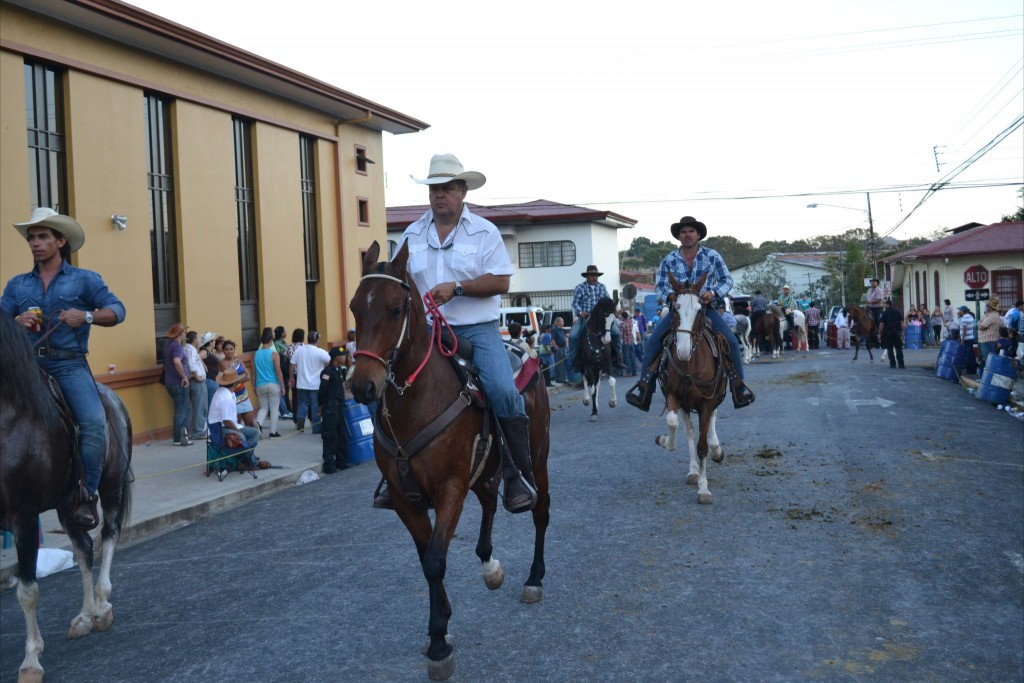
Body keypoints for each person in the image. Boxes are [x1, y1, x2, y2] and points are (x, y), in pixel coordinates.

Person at [389, 152, 537, 513]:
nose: (440, 194)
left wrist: (457, 288)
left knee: (502, 390)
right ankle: (393, 472)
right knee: (389, 386)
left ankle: (517, 473)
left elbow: (501, 281)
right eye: (434, 189)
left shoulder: (485, 231)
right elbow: (399, 282)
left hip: (476, 329)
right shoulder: (411, 234)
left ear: (463, 191)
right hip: (426, 330)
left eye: (448, 188)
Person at [1, 207, 127, 530]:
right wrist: (15, 323)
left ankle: (85, 495)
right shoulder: (17, 286)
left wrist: (85, 316)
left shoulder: (84, 280)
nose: (35, 243)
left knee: (93, 423)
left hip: (69, 365)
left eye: (43, 237)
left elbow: (117, 310)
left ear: (60, 241)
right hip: (27, 367)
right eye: (32, 238)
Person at [625, 216, 755, 411]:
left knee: (731, 341)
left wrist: (713, 293)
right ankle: (645, 388)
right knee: (652, 342)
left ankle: (739, 387)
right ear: (679, 236)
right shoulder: (669, 259)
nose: (687, 235)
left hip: (705, 309)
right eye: (683, 232)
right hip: (679, 311)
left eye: (691, 231)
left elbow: (727, 280)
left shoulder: (712, 256)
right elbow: (659, 286)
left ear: (698, 235)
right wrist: (670, 296)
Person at [568, 265, 621, 373]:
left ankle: (618, 359)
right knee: (573, 336)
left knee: (616, 333)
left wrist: (614, 308)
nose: (595, 278)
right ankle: (574, 362)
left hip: (602, 318)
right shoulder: (580, 287)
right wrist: (580, 312)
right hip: (586, 318)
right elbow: (575, 303)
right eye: (592, 275)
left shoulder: (602, 287)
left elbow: (608, 301)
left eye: (596, 276)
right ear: (587, 276)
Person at [207, 366, 261, 469]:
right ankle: (251, 462)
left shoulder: (227, 393)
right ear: (236, 383)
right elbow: (227, 421)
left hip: (224, 426)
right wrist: (238, 431)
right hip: (218, 430)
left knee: (255, 433)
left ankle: (245, 457)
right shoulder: (226, 397)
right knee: (242, 437)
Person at [318, 347, 350, 473]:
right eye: (342, 355)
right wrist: (321, 405)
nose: (345, 357)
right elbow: (322, 390)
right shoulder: (327, 372)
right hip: (331, 406)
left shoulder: (339, 370)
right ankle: (329, 465)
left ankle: (341, 461)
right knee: (330, 435)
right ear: (336, 357)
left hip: (339, 406)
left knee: (341, 434)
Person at [291, 329, 330, 434]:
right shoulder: (320, 352)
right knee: (315, 406)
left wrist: (291, 377)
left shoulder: (299, 350)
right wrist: (324, 368)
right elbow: (329, 360)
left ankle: (300, 422)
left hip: (301, 383)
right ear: (317, 340)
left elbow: (292, 364)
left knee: (302, 404)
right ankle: (316, 428)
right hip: (315, 384)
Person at [163, 322, 193, 447]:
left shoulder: (168, 346)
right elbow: (176, 361)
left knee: (182, 408)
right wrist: (184, 377)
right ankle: (180, 438)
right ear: (180, 334)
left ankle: (179, 437)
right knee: (182, 409)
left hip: (170, 381)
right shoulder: (177, 347)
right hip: (179, 382)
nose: (185, 334)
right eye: (184, 332)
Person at [254, 326, 286, 438]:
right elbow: (278, 372)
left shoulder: (256, 354)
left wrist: (254, 385)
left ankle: (259, 423)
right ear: (271, 339)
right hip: (272, 384)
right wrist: (283, 386)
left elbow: (254, 372)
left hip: (260, 384)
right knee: (274, 409)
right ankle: (273, 432)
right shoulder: (274, 354)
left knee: (263, 408)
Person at [220, 340, 255, 428]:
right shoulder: (222, 363)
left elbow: (247, 376)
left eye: (231, 349)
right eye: (226, 349)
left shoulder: (238, 361)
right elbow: (229, 380)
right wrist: (240, 378)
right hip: (232, 397)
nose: (229, 351)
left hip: (243, 395)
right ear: (223, 351)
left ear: (234, 350)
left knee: (250, 423)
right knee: (237, 424)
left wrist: (238, 381)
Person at [184, 330, 208, 440]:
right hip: (196, 381)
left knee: (195, 406)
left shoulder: (186, 348)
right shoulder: (191, 349)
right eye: (197, 338)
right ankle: (198, 431)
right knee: (200, 406)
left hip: (191, 380)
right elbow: (191, 364)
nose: (199, 341)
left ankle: (196, 430)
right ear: (194, 340)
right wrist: (197, 376)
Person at [977, 295, 1002, 372]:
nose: (985, 306)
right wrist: (981, 323)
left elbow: (980, 326)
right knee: (988, 359)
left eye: (987, 305)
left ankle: (989, 376)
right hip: (988, 340)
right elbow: (981, 324)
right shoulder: (990, 315)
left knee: (988, 360)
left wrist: (980, 323)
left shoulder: (992, 316)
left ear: (989, 307)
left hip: (988, 340)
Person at [878, 298, 905, 369]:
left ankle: (893, 364)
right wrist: (902, 332)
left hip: (888, 332)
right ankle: (901, 364)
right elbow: (901, 323)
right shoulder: (898, 312)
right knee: (899, 348)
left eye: (885, 304)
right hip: (897, 332)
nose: (884, 305)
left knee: (890, 348)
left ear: (887, 305)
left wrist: (879, 333)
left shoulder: (884, 313)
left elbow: (881, 324)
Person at [273, 326, 294, 420]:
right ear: (282, 334)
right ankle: (286, 410)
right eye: (284, 331)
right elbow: (281, 353)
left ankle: (288, 409)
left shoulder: (283, 342)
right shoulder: (277, 343)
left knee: (286, 388)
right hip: (283, 368)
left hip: (286, 367)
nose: (286, 333)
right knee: (284, 389)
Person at [199, 331, 220, 411]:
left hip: (213, 380)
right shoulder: (205, 351)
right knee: (211, 405)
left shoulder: (210, 351)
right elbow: (197, 357)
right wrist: (203, 365)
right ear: (210, 342)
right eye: (213, 340)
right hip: (209, 380)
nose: (215, 342)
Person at [958, 306, 978, 375]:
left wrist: (962, 339)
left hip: (966, 339)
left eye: (960, 310)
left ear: (962, 311)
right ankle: (973, 369)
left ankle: (969, 370)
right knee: (971, 354)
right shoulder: (970, 317)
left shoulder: (964, 318)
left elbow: (965, 329)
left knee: (967, 355)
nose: (959, 312)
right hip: (971, 337)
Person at [550, 316, 569, 385]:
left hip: (563, 347)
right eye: (562, 321)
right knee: (560, 364)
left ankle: (562, 378)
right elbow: (552, 339)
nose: (563, 322)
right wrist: (556, 347)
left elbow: (567, 334)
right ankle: (560, 379)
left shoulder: (561, 329)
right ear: (559, 322)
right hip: (559, 348)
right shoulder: (554, 329)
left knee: (562, 364)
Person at [865, 278, 884, 347]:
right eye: (872, 282)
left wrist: (871, 302)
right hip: (869, 308)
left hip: (877, 308)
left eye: (874, 282)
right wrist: (867, 304)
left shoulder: (879, 290)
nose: (873, 283)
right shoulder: (868, 290)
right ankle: (869, 341)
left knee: (878, 321)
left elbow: (879, 300)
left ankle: (880, 339)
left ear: (877, 283)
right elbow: (867, 299)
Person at [618, 311, 637, 377]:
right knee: (632, 357)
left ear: (623, 317)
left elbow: (620, 334)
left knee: (627, 358)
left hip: (625, 342)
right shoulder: (630, 322)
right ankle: (634, 371)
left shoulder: (622, 324)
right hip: (631, 341)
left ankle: (629, 372)